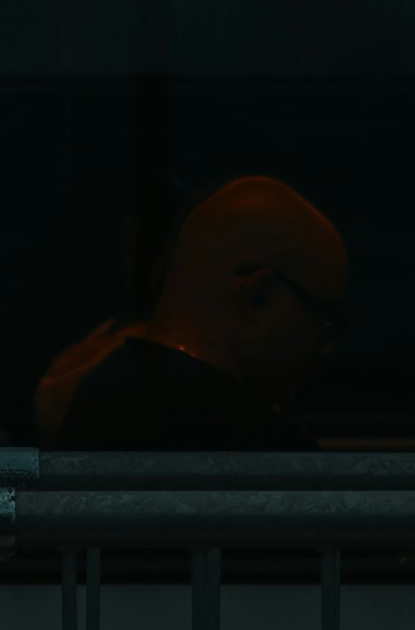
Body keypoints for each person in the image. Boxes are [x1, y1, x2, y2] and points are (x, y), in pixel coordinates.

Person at [40, 174, 351, 444]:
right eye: (322, 320)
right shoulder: (258, 445)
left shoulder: (90, 395)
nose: (323, 349)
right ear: (260, 295)